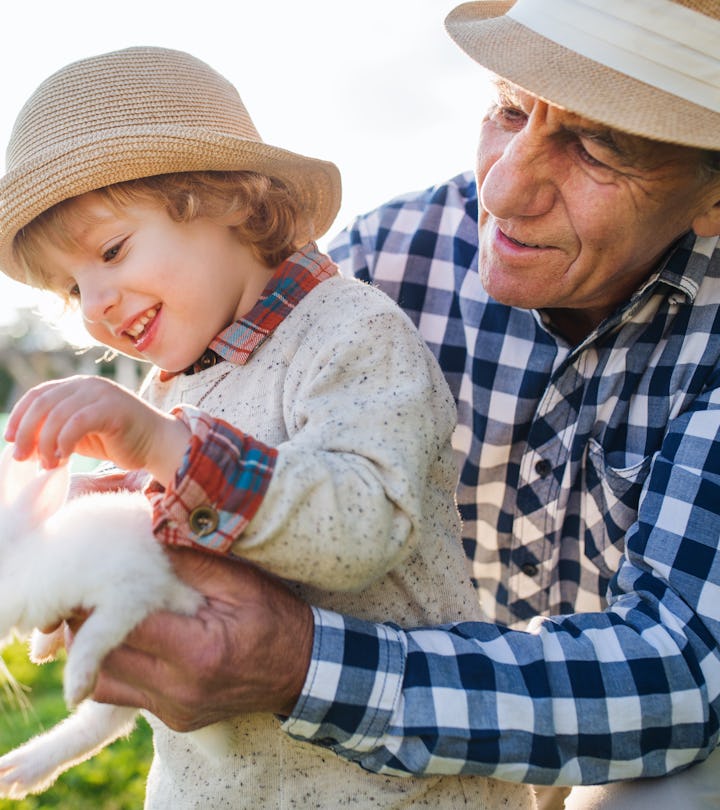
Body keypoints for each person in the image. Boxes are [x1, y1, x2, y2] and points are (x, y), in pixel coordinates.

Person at [4, 0, 720, 808]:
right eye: (509, 108)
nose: (508, 188)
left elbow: (685, 668)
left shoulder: (351, 323)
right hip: (275, 768)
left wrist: (296, 664)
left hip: (548, 741)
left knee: (679, 791)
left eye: (600, 146)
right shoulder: (381, 259)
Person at [0, 47, 533, 809]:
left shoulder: (350, 333)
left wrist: (163, 447)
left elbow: (359, 527)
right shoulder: (176, 385)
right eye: (70, 287)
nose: (94, 305)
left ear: (229, 201)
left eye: (112, 252)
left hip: (392, 791)